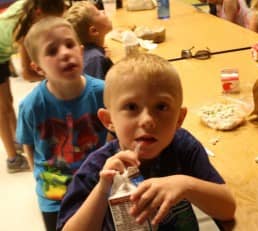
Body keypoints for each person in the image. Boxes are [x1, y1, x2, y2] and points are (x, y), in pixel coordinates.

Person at [57, 53, 236, 231]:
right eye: (131, 107)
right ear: (108, 120)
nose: (147, 120)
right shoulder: (98, 168)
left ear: (179, 119)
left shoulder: (183, 146)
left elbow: (227, 209)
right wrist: (103, 189)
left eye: (161, 107)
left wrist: (185, 185)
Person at [16, 16, 108, 231]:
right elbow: (29, 145)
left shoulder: (103, 92)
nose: (65, 53)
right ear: (38, 68)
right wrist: (39, 179)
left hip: (97, 186)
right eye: (52, 51)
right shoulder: (31, 105)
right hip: (54, 195)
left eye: (69, 45)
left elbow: (114, 133)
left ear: (81, 51)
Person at [0, 0, 66, 173]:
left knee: (8, 101)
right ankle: (12, 159)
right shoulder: (25, 29)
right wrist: (58, 77)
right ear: (38, 13)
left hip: (2, 51)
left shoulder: (29, 5)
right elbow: (28, 74)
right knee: (1, 107)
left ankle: (17, 140)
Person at [64, 1, 113, 80]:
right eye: (98, 13)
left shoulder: (93, 54)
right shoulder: (95, 59)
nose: (103, 11)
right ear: (94, 31)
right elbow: (96, 91)